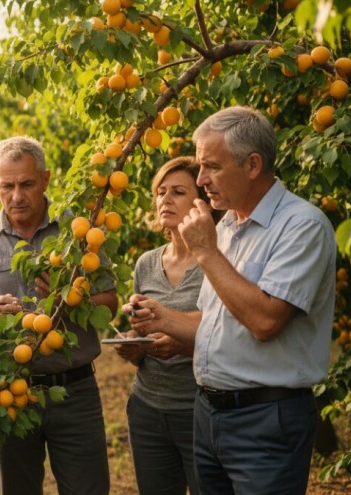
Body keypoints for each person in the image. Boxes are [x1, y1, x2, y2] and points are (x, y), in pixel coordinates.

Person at [127, 106, 336, 494]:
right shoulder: (227, 226)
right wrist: (160, 318)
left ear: (253, 165)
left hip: (265, 420)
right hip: (208, 416)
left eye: (212, 167)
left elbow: (265, 322)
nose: (201, 179)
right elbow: (216, 322)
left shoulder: (301, 226)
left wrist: (206, 252)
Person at [0, 136, 117, 495]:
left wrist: (72, 298)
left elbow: (109, 304)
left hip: (73, 390)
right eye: (6, 186)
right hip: (12, 394)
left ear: (45, 179)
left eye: (26, 184)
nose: (16, 196)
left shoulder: (79, 234)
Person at [115, 156, 219, 495]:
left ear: (200, 202)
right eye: (160, 193)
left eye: (177, 192)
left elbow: (229, 332)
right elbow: (140, 327)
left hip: (199, 409)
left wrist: (182, 343)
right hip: (147, 408)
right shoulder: (147, 263)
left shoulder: (217, 262)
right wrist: (133, 344)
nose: (165, 200)